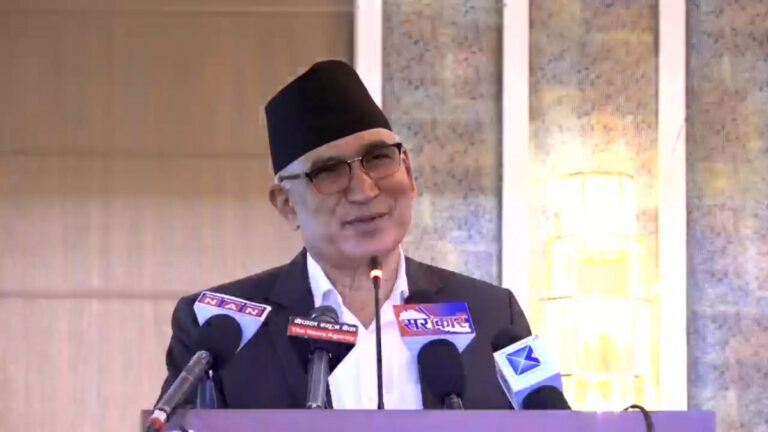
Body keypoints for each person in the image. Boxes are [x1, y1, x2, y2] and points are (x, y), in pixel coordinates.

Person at [160, 60, 531, 409]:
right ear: (287, 205)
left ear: (408, 172)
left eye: (379, 158)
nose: (364, 191)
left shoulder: (494, 316)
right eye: (330, 172)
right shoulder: (218, 330)